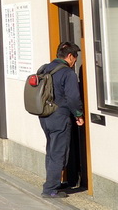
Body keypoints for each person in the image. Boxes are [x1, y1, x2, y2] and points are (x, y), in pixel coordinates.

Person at [39, 42, 84, 199]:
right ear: (70, 56)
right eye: (75, 58)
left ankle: (52, 183)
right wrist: (78, 114)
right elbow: (73, 98)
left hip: (45, 115)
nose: (75, 62)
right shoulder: (68, 73)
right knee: (59, 152)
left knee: (51, 150)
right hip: (59, 116)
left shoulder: (46, 68)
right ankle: (50, 189)